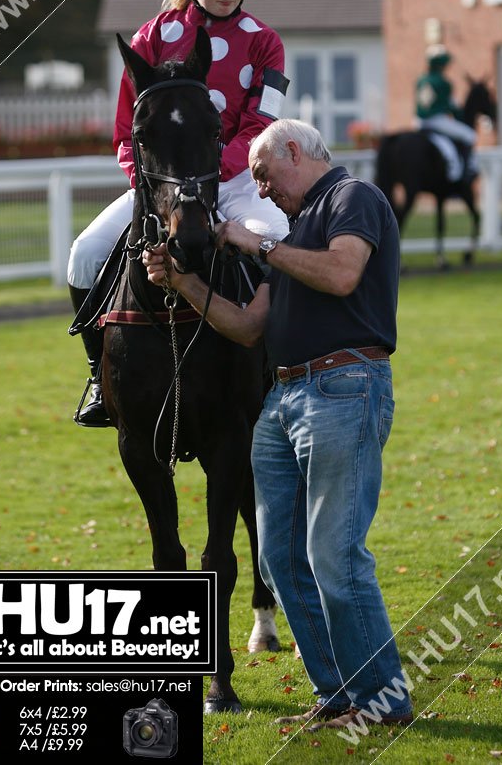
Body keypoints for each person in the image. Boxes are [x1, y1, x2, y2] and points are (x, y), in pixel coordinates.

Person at [141, 119, 413, 730]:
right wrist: (182, 281)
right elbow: (245, 327)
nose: (261, 191)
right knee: (280, 559)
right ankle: (340, 694)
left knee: (334, 556)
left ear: (295, 151)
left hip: (344, 386)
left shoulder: (352, 199)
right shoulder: (294, 233)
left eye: (263, 175)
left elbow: (343, 274)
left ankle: (385, 702)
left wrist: (256, 245)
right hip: (285, 399)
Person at [66, 0, 289, 426]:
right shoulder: (150, 36)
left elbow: (262, 121)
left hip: (234, 182)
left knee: (278, 238)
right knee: (83, 256)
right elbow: (127, 131)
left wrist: (217, 170)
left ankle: (283, 368)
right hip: (162, 189)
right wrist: (147, 187)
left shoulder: (265, 42)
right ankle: (101, 378)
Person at [415, 44, 477, 183]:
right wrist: (460, 117)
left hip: (419, 121)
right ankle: (467, 170)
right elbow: (452, 106)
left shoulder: (421, 80)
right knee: (470, 135)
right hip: (436, 120)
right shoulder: (443, 82)